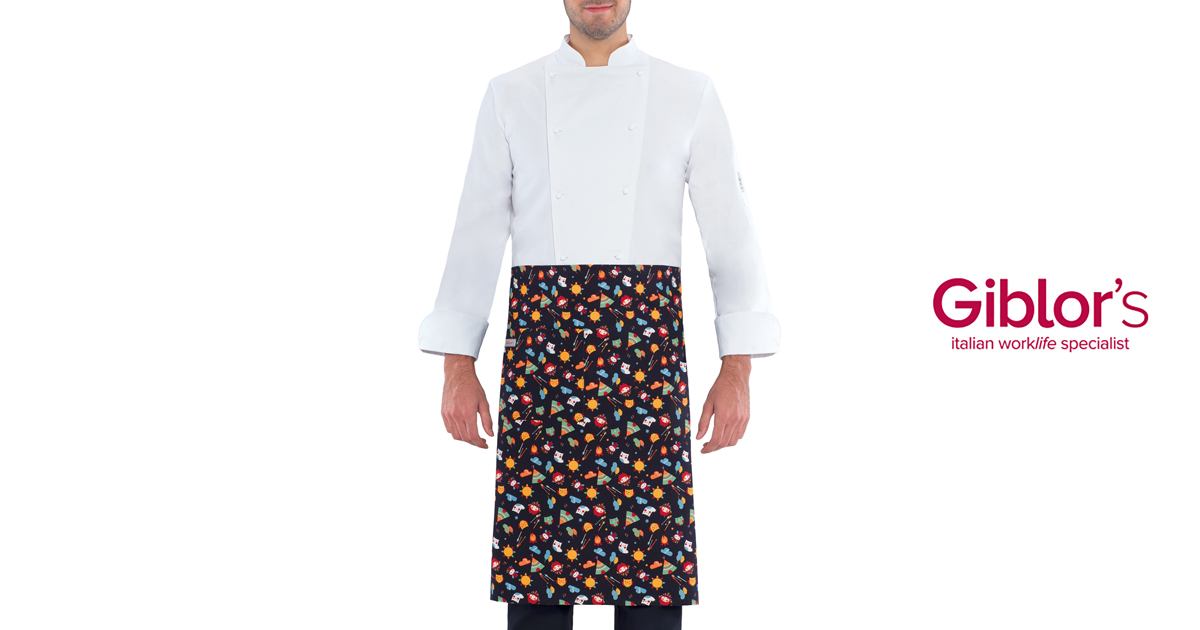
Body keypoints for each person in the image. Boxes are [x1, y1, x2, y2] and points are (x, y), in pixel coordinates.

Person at [418, 2, 780, 628]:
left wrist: (737, 368)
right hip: (543, 359)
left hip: (646, 359)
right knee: (538, 594)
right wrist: (457, 365)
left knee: (650, 593)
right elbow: (476, 230)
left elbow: (731, 237)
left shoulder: (688, 94)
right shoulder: (510, 94)